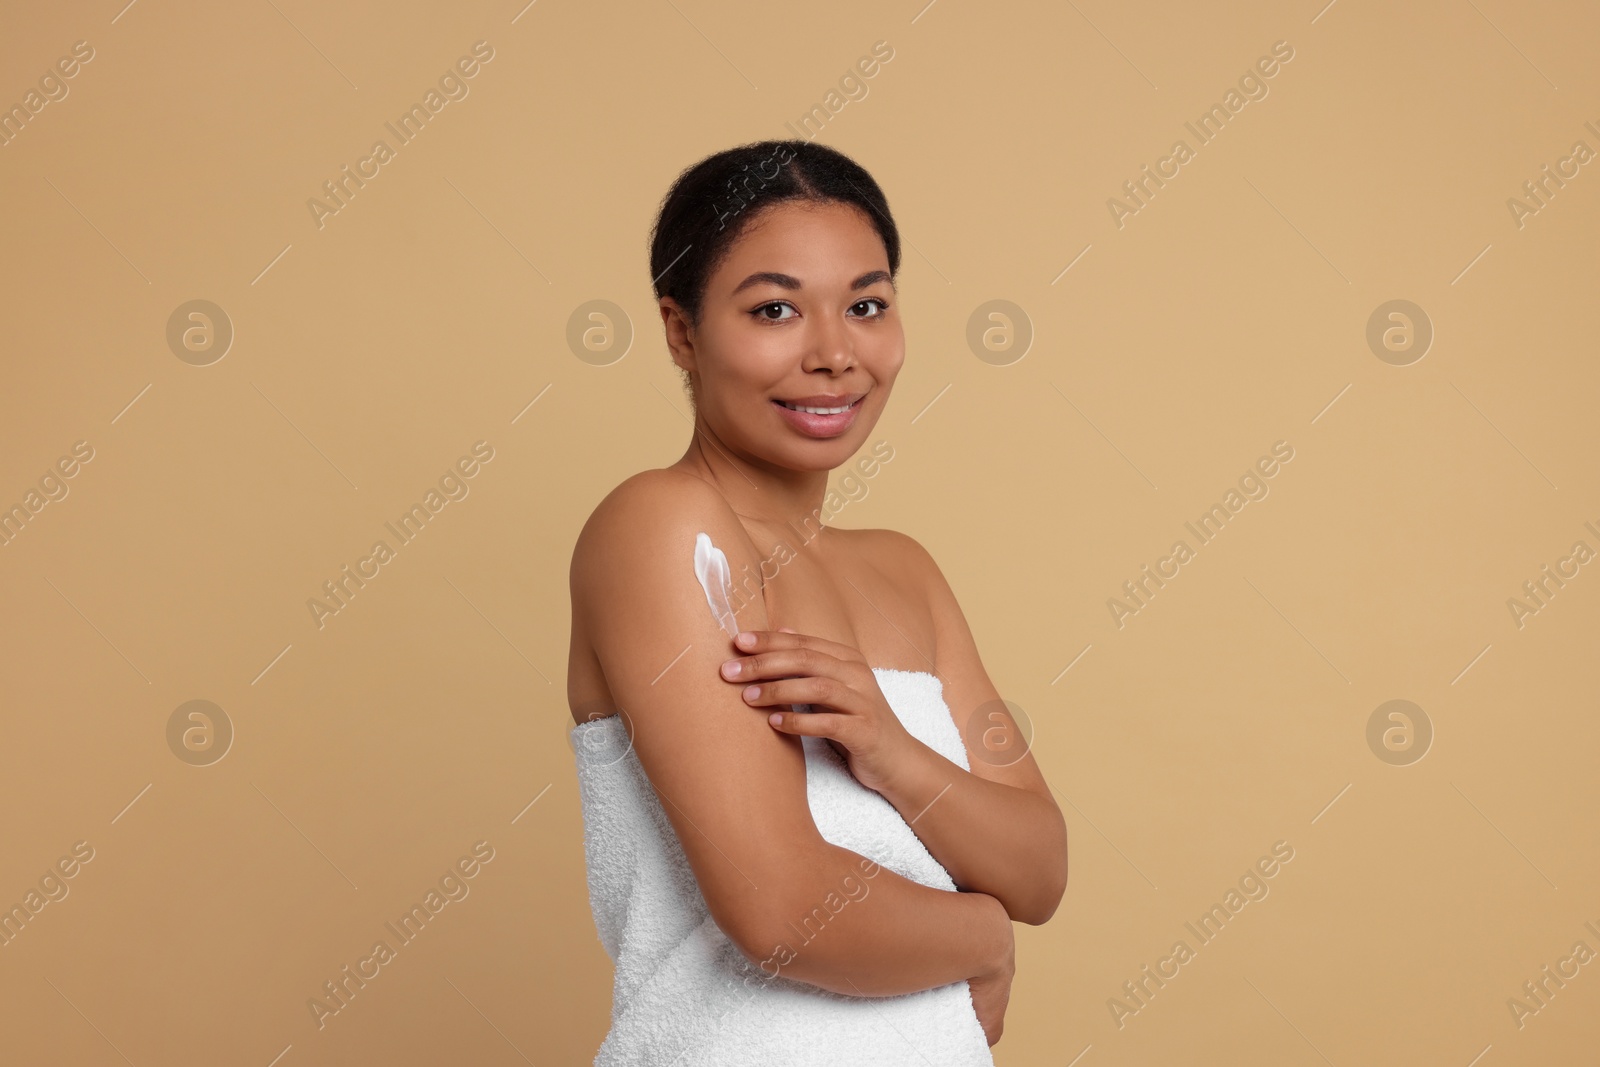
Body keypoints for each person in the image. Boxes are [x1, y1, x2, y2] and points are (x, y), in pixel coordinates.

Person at [566, 138, 1068, 1065]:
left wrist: (888, 747)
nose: (834, 354)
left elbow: (1038, 866)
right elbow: (784, 907)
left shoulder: (904, 573)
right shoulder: (662, 528)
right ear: (682, 331)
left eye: (867, 305)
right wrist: (983, 940)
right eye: (775, 309)